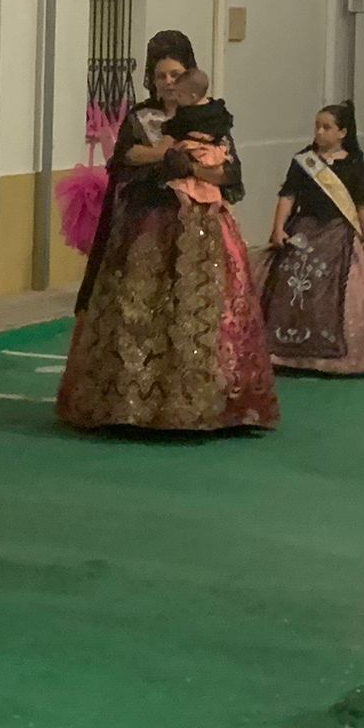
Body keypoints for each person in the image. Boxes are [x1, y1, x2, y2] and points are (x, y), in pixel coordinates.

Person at [57, 30, 280, 433]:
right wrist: (164, 156)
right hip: (145, 227)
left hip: (201, 232)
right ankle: (130, 405)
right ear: (151, 78)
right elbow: (124, 160)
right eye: (161, 76)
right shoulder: (141, 118)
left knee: (203, 315)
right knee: (136, 309)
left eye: (176, 74)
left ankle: (204, 404)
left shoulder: (211, 116)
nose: (169, 83)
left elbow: (231, 172)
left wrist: (190, 168)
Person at [258, 102, 364, 375]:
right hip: (304, 230)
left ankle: (334, 357)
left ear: (342, 132)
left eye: (326, 127)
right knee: (291, 280)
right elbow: (288, 195)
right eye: (317, 126)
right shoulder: (303, 160)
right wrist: (278, 228)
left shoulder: (353, 163)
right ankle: (287, 352)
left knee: (338, 287)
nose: (319, 131)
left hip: (339, 233)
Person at [159, 67, 233, 207]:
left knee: (177, 177)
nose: (177, 98)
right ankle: (215, 203)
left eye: (180, 95)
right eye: (161, 76)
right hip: (216, 152)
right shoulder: (217, 109)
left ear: (192, 97)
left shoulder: (187, 114)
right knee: (209, 183)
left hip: (194, 149)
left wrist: (166, 128)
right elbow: (224, 125)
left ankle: (185, 202)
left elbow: (176, 128)